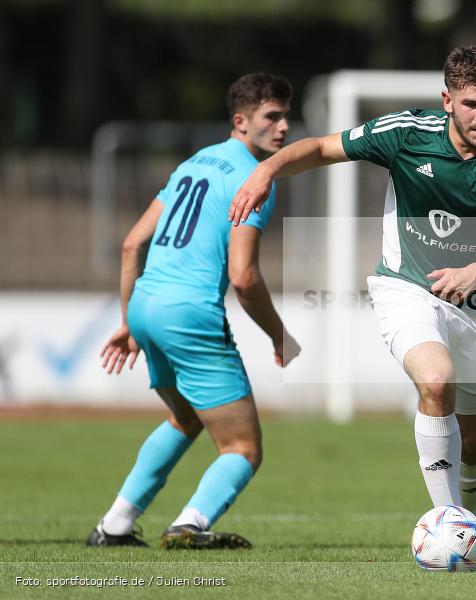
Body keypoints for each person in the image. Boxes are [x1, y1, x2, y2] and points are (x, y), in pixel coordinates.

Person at [228, 45, 476, 561]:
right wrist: (265, 172)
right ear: (447, 99)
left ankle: (471, 514)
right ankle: (450, 523)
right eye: (470, 103)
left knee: (474, 439)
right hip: (405, 288)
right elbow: (322, 148)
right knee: (435, 380)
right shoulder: (406, 133)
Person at [87, 73, 300, 548]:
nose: (284, 127)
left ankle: (116, 524)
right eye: (272, 116)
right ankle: (190, 524)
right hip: (190, 313)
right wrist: (279, 334)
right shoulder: (254, 178)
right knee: (242, 448)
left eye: (286, 115)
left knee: (185, 416)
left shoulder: (191, 165)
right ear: (240, 121)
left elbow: (131, 245)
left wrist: (129, 321)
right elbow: (244, 277)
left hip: (146, 306)